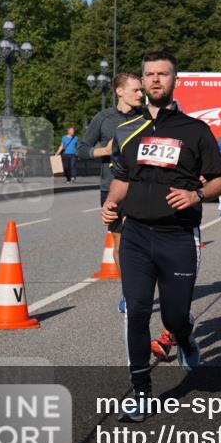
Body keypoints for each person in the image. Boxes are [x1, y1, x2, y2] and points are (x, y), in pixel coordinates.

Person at [101, 51, 221, 422]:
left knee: (173, 316)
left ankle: (184, 338)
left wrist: (196, 195)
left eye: (163, 74)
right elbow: (122, 178)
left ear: (175, 80)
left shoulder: (195, 130)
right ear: (142, 81)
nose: (155, 80)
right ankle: (141, 392)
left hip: (178, 237)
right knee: (137, 311)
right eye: (149, 74)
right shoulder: (126, 131)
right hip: (136, 234)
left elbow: (219, 178)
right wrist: (110, 204)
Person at [78, 73, 145, 312]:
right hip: (112, 187)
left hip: (141, 186)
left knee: (139, 240)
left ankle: (141, 287)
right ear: (119, 91)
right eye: (135, 90)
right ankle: (129, 292)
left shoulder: (146, 117)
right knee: (121, 241)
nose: (140, 94)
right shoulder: (104, 118)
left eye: (141, 90)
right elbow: (82, 148)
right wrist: (103, 151)